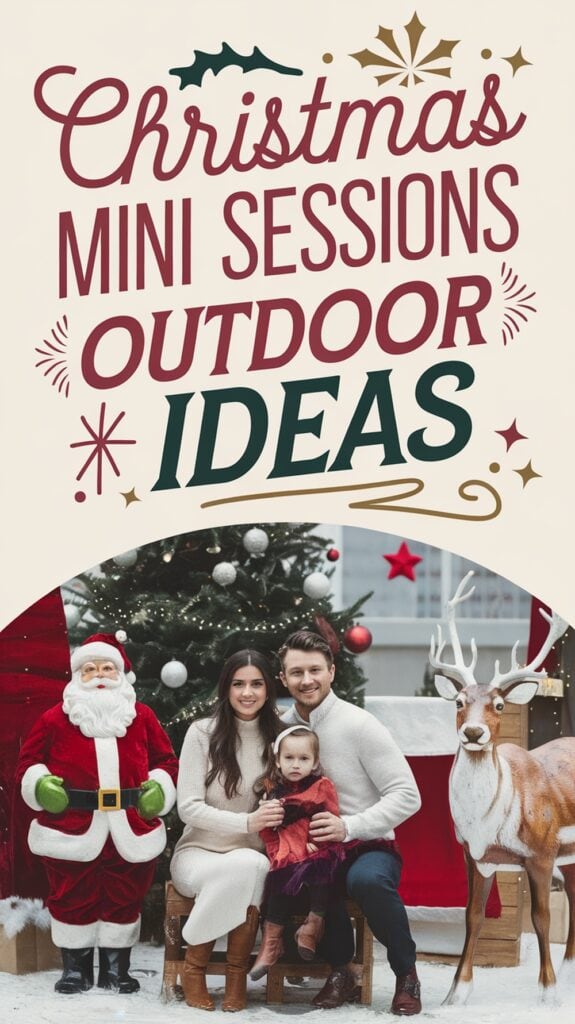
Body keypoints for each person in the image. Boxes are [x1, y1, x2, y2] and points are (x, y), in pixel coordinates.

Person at [16, 631, 178, 995]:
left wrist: (160, 788)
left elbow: (167, 761)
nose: (100, 675)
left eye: (107, 668)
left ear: (120, 674)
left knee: (124, 895)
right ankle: (75, 969)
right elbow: (28, 762)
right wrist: (40, 786)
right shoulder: (55, 719)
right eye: (89, 669)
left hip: (129, 827)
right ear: (77, 677)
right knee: (72, 894)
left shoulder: (142, 717)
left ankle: (115, 969)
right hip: (72, 826)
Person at [278, 629, 423, 1017]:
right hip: (312, 848)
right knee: (309, 875)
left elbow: (408, 795)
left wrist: (350, 826)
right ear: (283, 679)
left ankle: (406, 973)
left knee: (365, 880)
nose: (306, 680)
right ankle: (342, 971)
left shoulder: (360, 725)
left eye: (314, 670)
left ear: (331, 672)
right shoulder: (280, 729)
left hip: (370, 844)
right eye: (296, 672)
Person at [170, 649, 283, 1013]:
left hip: (252, 859)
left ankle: (219, 972)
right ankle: (206, 970)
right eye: (238, 684)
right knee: (249, 868)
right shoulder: (201, 733)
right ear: (226, 687)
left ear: (268, 689)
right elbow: (187, 807)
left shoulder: (283, 737)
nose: (247, 692)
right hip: (198, 854)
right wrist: (246, 823)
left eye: (256, 684)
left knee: (252, 865)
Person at [250, 725, 346, 980]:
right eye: (289, 758)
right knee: (281, 879)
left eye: (304, 759)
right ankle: (271, 942)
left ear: (314, 762)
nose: (296, 764)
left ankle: (312, 926)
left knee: (322, 868)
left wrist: (318, 841)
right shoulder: (273, 789)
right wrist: (276, 849)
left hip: (315, 846)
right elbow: (266, 828)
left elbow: (330, 816)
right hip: (286, 849)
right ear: (278, 761)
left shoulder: (321, 785)